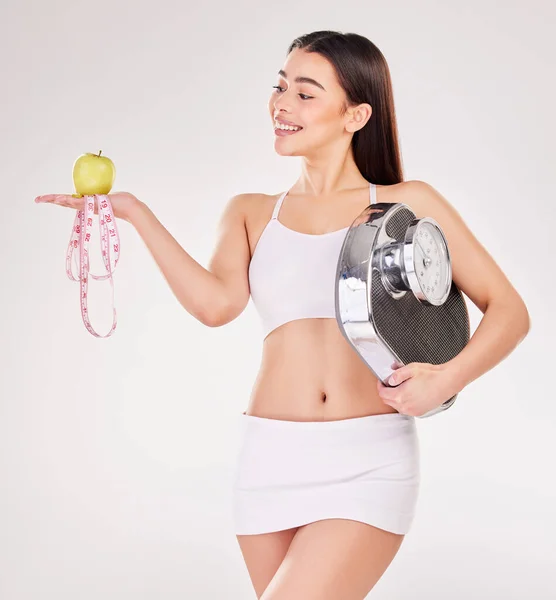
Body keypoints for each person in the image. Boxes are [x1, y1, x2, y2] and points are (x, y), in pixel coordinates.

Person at [35, 30, 530, 600]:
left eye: (305, 92)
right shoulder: (250, 213)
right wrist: (135, 213)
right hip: (268, 457)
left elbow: (509, 310)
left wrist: (447, 378)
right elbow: (215, 306)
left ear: (356, 114)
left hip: (367, 458)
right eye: (279, 87)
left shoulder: (406, 201)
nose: (282, 104)